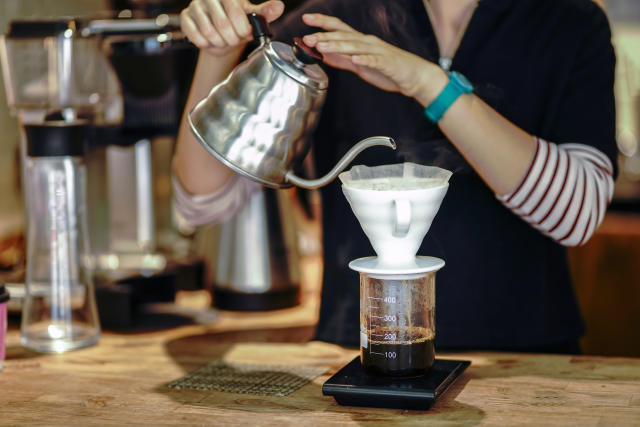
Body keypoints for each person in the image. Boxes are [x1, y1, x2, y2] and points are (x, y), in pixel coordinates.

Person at [173, 0, 617, 353]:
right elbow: (204, 201)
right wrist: (217, 54)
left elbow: (576, 216)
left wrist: (429, 84)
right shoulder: (330, 21)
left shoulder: (570, 23)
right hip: (354, 354)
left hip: (529, 364)